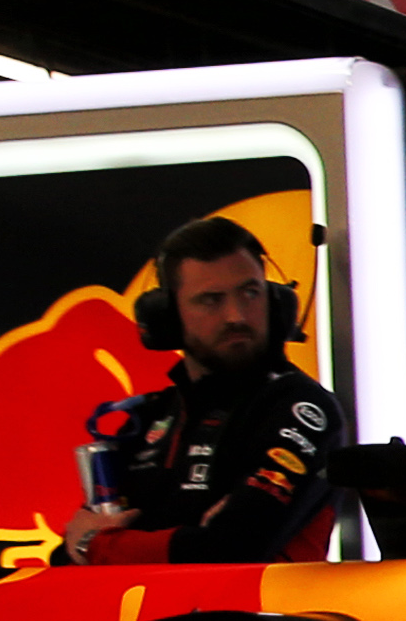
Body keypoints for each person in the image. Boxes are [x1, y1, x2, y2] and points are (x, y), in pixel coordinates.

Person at [72, 214, 339, 563]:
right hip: (150, 616)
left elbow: (232, 547)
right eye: (211, 300)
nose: (236, 316)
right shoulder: (153, 415)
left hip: (258, 616)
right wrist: (92, 543)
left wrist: (97, 545)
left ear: (275, 302)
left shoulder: (301, 408)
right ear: (168, 318)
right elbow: (67, 554)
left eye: (250, 293)